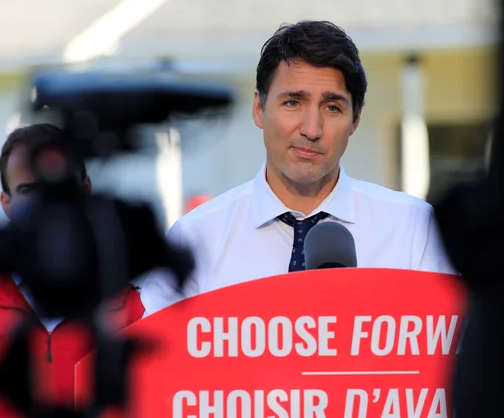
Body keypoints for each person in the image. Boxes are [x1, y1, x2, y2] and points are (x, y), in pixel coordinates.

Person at [140, 20, 454, 316]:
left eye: (332, 107)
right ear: (258, 110)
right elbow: (156, 359)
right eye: (293, 102)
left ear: (355, 120)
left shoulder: (413, 228)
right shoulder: (197, 236)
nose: (311, 129)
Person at [0, 124, 145, 415]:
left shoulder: (139, 306)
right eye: (29, 191)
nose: (48, 206)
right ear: (6, 203)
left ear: (86, 191)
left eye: (59, 190)